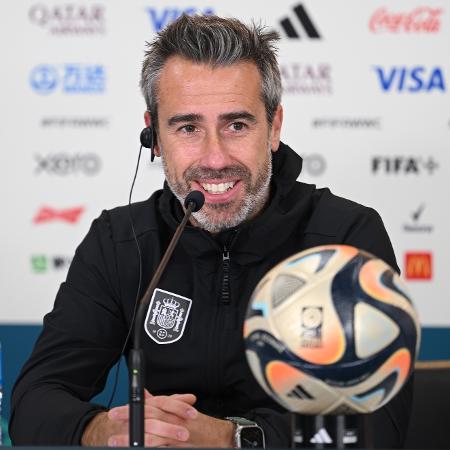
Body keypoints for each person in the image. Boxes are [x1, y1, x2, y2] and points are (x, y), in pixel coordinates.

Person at [10, 14, 413, 447]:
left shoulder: (346, 234)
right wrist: (105, 429)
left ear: (274, 127)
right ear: (155, 137)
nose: (215, 158)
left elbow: (376, 427)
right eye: (188, 127)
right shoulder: (119, 240)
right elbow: (33, 404)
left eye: (236, 125)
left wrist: (232, 438)